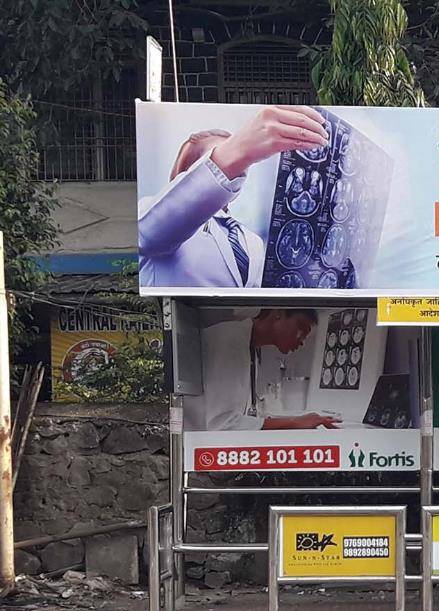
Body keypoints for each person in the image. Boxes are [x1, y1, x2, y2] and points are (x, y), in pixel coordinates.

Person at [138, 106, 329, 289]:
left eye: (243, 164)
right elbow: (149, 233)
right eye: (214, 157)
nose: (238, 169)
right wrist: (237, 151)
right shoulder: (152, 216)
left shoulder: (252, 240)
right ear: (187, 171)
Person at [194, 308, 339, 431]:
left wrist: (297, 420)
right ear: (278, 314)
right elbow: (222, 424)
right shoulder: (230, 342)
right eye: (300, 328)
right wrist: (294, 423)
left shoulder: (249, 346)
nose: (302, 341)